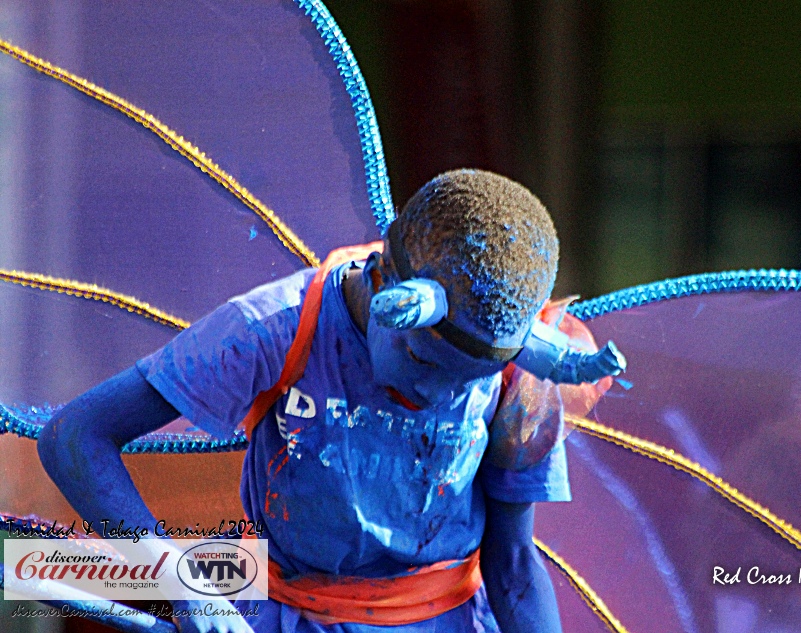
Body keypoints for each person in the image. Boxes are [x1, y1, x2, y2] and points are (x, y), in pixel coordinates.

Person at [37, 169, 625, 633]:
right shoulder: (273, 329)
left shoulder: (523, 380)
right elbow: (75, 437)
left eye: (464, 383)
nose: (432, 395)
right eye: (423, 363)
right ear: (385, 282)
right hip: (282, 609)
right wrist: (178, 582)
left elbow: (515, 567)